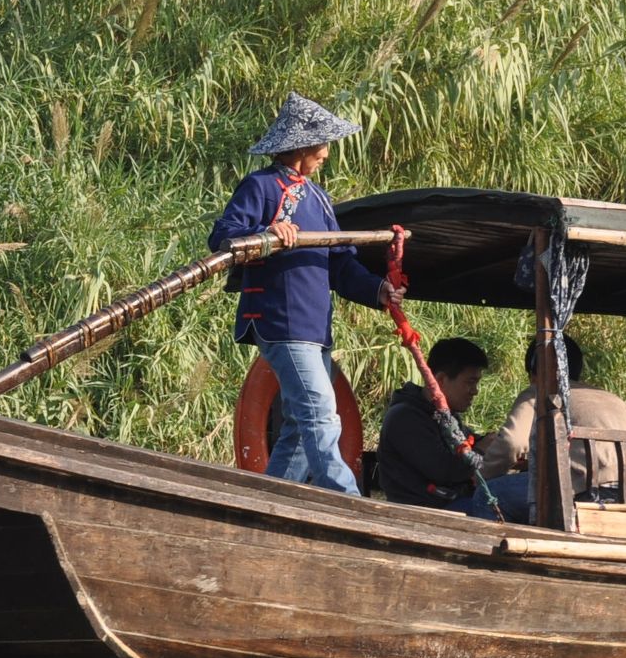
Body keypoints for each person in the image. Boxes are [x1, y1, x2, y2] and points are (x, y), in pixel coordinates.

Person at [207, 94, 403, 496]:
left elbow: (341, 265)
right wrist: (268, 233)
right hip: (279, 320)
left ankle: (267, 499)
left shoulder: (320, 200)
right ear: (301, 145)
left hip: (315, 327)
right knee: (320, 414)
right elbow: (223, 237)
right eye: (324, 144)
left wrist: (379, 290)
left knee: (299, 425)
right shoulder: (261, 187)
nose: (327, 154)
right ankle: (348, 499)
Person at [374, 338, 533, 519]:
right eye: (470, 382)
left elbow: (468, 441)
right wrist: (482, 448)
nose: (475, 391)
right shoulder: (405, 418)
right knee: (506, 502)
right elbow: (444, 470)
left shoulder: (443, 415)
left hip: (452, 502)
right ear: (441, 380)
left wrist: (505, 453)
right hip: (424, 511)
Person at [476, 336, 626, 501]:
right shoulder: (614, 400)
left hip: (588, 490)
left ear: (535, 372)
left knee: (488, 494)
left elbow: (512, 443)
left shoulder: (540, 391)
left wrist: (481, 478)